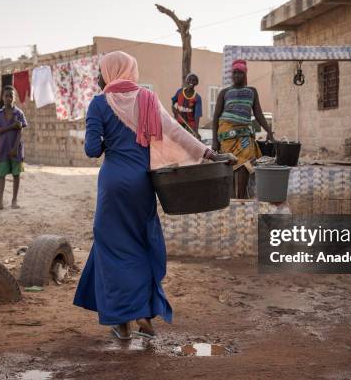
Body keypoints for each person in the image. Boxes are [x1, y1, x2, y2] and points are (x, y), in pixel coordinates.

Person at [73, 51, 235, 340]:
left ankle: (121, 323)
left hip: (112, 186)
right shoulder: (148, 99)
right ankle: (145, 316)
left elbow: (92, 150)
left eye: (101, 72)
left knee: (111, 248)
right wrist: (209, 153)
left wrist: (102, 135)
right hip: (142, 185)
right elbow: (175, 131)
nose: (99, 77)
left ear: (110, 73)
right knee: (140, 245)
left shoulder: (99, 104)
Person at [212, 59, 274, 199]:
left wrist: (269, 132)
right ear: (231, 75)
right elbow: (216, 117)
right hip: (226, 135)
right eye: (234, 73)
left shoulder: (252, 91)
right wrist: (214, 141)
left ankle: (241, 198)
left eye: (240, 73)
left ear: (245, 74)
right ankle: (231, 198)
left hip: (244, 135)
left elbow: (258, 114)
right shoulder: (224, 92)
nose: (237, 76)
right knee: (229, 164)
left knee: (246, 163)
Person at [0, 85, 27, 210]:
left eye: (11, 96)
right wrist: (11, 127)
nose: (9, 98)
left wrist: (15, 148)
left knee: (16, 175)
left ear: (14, 98)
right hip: (3, 149)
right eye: (6, 96)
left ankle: (14, 201)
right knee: (1, 175)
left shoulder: (19, 113)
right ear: (2, 98)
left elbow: (20, 132)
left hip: (16, 149)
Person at [171, 73, 202, 138]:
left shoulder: (197, 98)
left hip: (190, 125)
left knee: (189, 142)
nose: (191, 81)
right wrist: (173, 108)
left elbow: (197, 116)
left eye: (194, 80)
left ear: (196, 83)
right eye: (189, 79)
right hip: (178, 123)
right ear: (186, 81)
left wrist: (196, 131)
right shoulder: (179, 92)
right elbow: (173, 101)